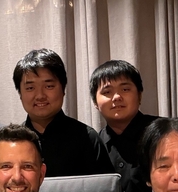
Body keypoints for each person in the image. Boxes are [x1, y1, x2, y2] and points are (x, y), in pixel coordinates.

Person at [14, 48, 113, 178]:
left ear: (63, 89)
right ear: (20, 94)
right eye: (30, 88)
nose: (40, 95)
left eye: (49, 86)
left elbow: (105, 188)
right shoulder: (12, 142)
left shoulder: (87, 138)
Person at [90, 60, 159, 192]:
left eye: (125, 89)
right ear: (95, 102)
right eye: (107, 92)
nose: (116, 97)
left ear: (139, 95)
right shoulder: (94, 144)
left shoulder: (162, 133)